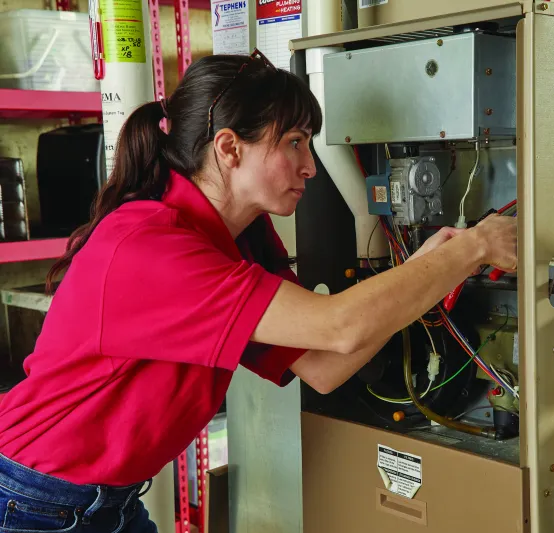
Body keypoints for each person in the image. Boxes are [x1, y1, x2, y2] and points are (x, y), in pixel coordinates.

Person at [0, 50, 517, 533]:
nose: (311, 166)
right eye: (294, 142)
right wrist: (471, 249)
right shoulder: (151, 246)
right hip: (34, 499)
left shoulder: (238, 238)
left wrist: (431, 270)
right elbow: (340, 327)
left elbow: (324, 367)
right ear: (228, 148)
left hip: (105, 501)